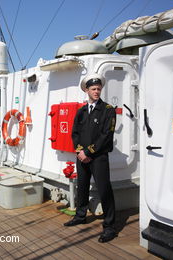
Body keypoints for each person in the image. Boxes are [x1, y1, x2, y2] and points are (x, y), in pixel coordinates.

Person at [64, 73, 117, 243]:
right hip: (81, 156)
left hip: (98, 157)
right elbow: (75, 133)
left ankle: (109, 227)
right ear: (86, 90)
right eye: (93, 89)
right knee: (82, 187)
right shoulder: (81, 111)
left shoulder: (108, 110)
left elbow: (106, 135)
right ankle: (81, 215)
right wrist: (80, 151)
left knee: (104, 190)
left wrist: (88, 152)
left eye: (98, 89)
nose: (96, 91)